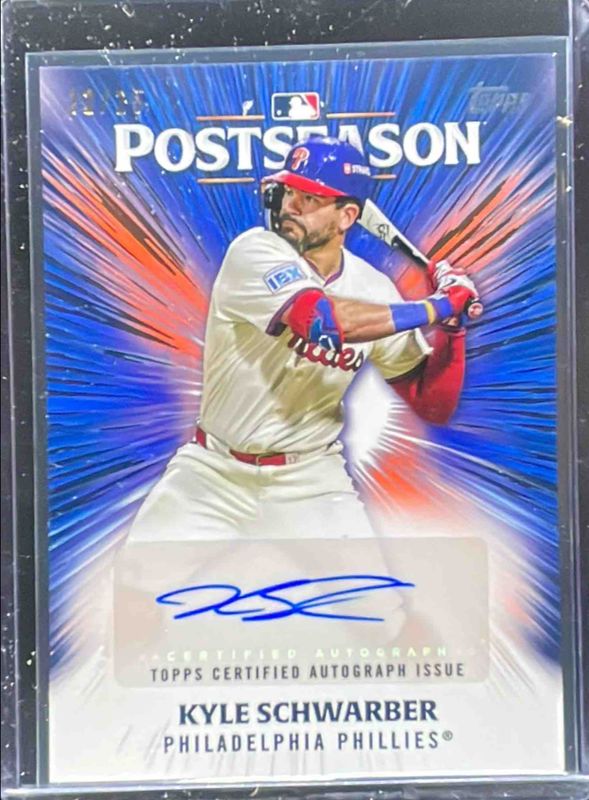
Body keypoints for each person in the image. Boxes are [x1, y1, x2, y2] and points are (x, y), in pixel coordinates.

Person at [126, 136, 479, 542]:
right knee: (139, 579)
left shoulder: (375, 290)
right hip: (212, 473)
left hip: (311, 479)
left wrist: (452, 329)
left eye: (309, 198)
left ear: (347, 216)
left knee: (365, 586)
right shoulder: (255, 250)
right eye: (289, 191)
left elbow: (432, 403)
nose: (290, 205)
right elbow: (321, 320)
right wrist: (439, 305)